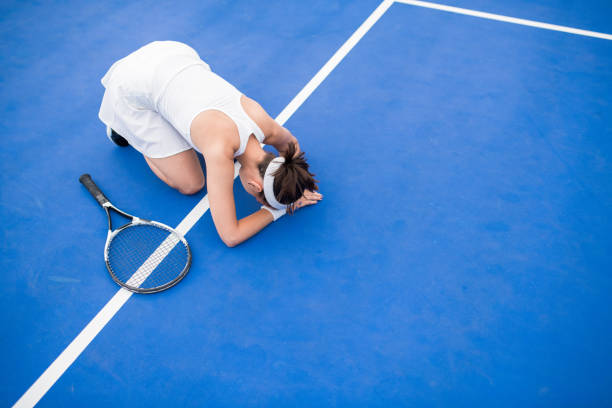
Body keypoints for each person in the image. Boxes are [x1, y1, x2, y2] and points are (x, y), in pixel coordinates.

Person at [98, 41, 322, 247]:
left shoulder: (266, 126)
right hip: (130, 83)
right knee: (191, 184)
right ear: (255, 186)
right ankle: (127, 128)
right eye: (255, 197)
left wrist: (297, 183)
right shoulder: (219, 152)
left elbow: (291, 145)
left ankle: (163, 120)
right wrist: (276, 210)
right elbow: (231, 236)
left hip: (173, 52)